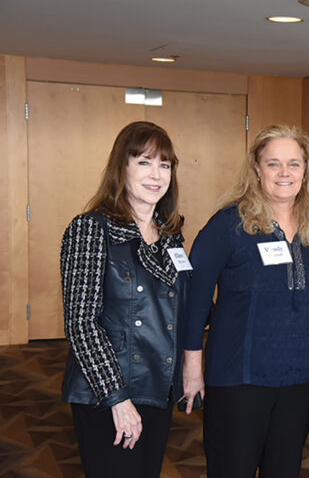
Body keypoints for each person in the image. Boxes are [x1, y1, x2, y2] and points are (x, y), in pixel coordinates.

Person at [182, 124, 309, 477]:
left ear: (306, 170)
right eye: (273, 163)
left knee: (284, 469)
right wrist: (191, 370)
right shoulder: (228, 225)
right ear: (255, 169)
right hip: (240, 378)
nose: (285, 173)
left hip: (298, 379)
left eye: (294, 164)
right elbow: (194, 299)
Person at [60, 121, 189, 478]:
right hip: (109, 391)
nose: (156, 174)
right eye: (144, 162)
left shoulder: (170, 235)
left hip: (156, 386)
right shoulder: (90, 228)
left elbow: (178, 308)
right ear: (122, 167)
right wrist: (117, 398)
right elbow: (81, 324)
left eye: (165, 165)